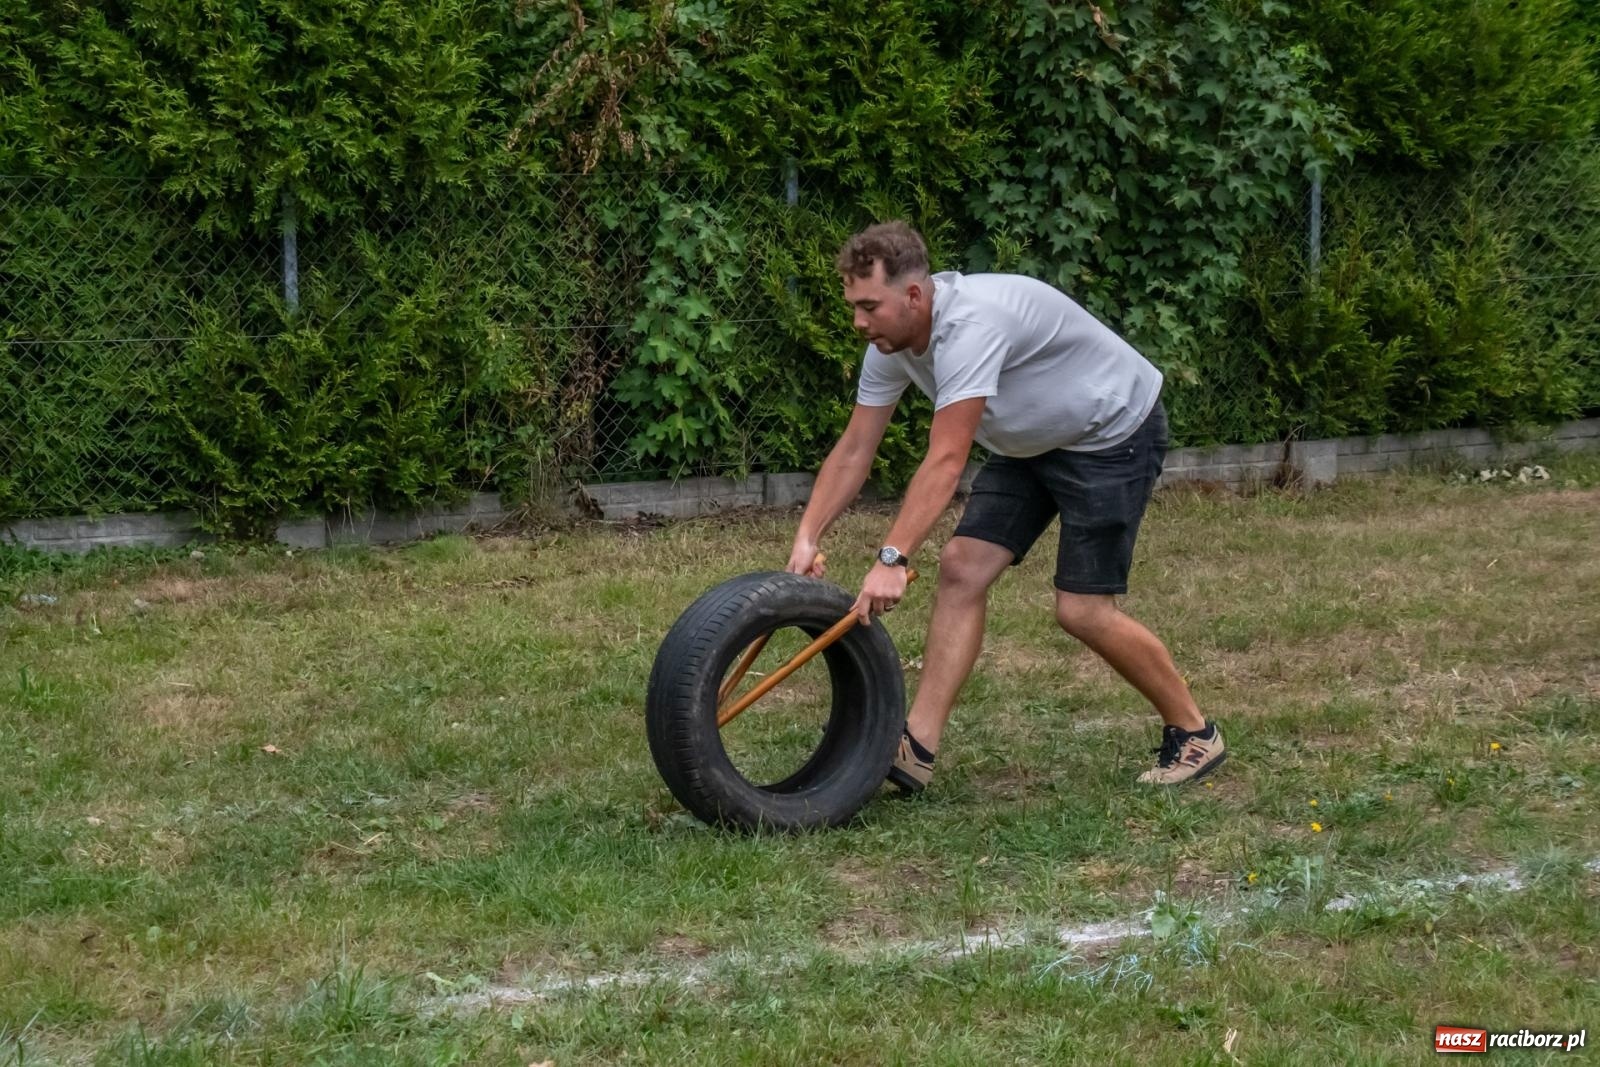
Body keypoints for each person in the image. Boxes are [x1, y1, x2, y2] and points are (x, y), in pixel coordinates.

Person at [784, 221, 1225, 791]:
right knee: (962, 567)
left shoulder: (969, 327)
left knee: (1083, 611)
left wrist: (891, 559)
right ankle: (915, 748)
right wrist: (808, 534)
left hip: (1112, 433)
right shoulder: (890, 345)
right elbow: (854, 451)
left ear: (914, 295)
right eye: (853, 305)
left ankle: (1194, 734)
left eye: (869, 305)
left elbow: (945, 460)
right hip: (1031, 443)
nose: (858, 322)